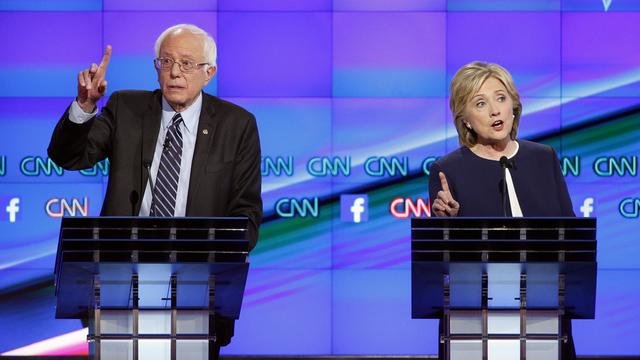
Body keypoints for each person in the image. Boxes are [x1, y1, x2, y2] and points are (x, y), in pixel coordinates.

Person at [48, 24, 262, 358]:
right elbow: (69, 156)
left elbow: (246, 217)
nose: (175, 72)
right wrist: (85, 106)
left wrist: (205, 258)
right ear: (156, 67)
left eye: (187, 64)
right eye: (166, 62)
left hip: (195, 297)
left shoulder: (237, 125)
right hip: (119, 289)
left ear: (210, 73)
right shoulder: (126, 108)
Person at [428, 61, 576, 359]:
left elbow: (571, 239)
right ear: (466, 119)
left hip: (543, 311)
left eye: (501, 98)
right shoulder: (447, 170)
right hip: (476, 319)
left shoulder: (544, 158)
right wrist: (446, 223)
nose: (495, 110)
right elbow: (442, 266)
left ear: (513, 106)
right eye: (480, 103)